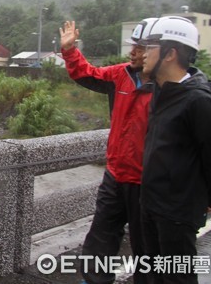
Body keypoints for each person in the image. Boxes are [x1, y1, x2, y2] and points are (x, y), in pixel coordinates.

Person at [60, 18, 157, 284]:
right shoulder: (120, 75)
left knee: (147, 248)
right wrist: (70, 51)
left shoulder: (172, 90)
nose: (133, 52)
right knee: (100, 239)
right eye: (133, 46)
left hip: (149, 183)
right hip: (115, 176)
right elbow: (85, 73)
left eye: (140, 47)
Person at [140, 16, 211, 284]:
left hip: (177, 212)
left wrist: (206, 199)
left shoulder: (198, 101)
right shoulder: (162, 94)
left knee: (177, 279)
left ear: (170, 53)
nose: (143, 53)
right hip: (151, 204)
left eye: (151, 47)